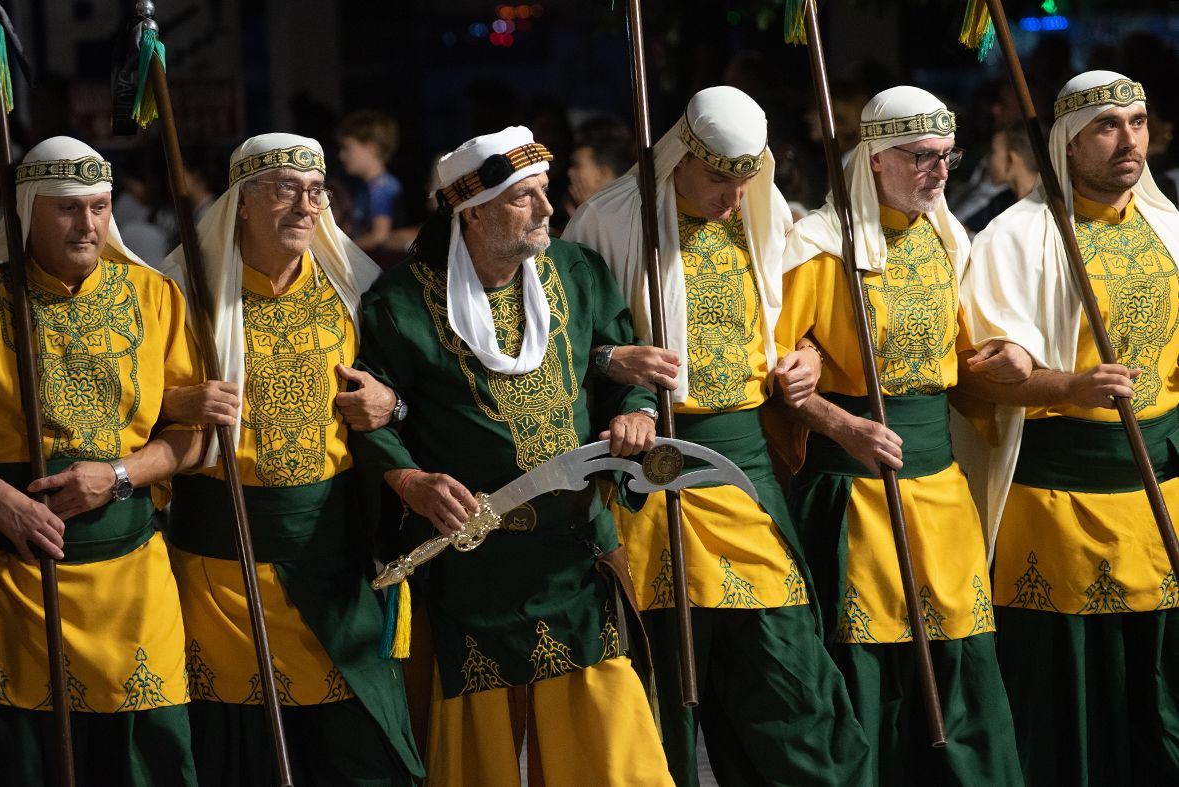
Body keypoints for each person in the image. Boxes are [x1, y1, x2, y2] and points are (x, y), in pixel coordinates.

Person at [564, 85, 871, 787]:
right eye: (718, 181)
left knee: (791, 670)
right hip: (647, 470)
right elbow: (564, 344)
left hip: (743, 468)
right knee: (658, 686)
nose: (734, 198)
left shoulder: (764, 214)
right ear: (680, 156)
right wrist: (613, 365)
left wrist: (807, 356)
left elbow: (795, 323)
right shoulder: (609, 220)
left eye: (745, 180)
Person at [351, 126, 674, 786]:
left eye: (545, 193)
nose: (548, 209)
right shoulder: (401, 304)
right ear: (472, 213)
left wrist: (637, 410)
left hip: (575, 555)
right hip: (474, 570)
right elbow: (368, 419)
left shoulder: (575, 272)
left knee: (616, 760)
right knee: (479, 762)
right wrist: (408, 480)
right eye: (524, 198)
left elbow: (621, 359)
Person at [773, 86, 1022, 784]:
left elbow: (963, 355)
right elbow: (778, 377)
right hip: (856, 493)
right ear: (874, 161)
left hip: (938, 490)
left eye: (947, 157)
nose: (938, 172)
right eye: (920, 157)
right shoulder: (819, 247)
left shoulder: (950, 236)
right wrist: (838, 421)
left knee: (962, 665)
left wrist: (1002, 358)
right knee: (868, 671)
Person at [158, 133, 422, 785]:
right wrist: (175, 400)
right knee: (246, 758)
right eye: (284, 188)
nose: (304, 206)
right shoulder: (178, 295)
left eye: (315, 191)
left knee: (363, 756)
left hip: (333, 565)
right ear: (241, 203)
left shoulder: (357, 292)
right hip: (222, 572)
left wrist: (393, 403)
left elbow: (419, 387)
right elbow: (126, 409)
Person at [960, 70, 1179, 785]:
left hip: (1163, 498)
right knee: (1070, 710)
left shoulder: (1170, 227)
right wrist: (1068, 384)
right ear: (1066, 142)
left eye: (1138, 122)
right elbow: (978, 372)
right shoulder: (1011, 240)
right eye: (1107, 126)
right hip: (1057, 509)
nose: (1128, 140)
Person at [0, 136, 205, 785]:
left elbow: (192, 437)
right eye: (65, 208)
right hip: (15, 583)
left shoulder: (154, 295)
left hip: (135, 578)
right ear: (28, 209)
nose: (86, 223)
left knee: (147, 758)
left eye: (97, 206)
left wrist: (117, 475)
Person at [337, 110, 404, 253]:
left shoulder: (381, 188)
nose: (341, 155)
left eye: (347, 148)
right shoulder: (366, 187)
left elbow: (379, 235)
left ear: (371, 148)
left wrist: (340, 252)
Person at [964, 121, 1041, 234]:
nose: (987, 160)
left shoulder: (1045, 204)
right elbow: (963, 231)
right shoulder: (1002, 201)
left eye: (993, 152)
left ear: (1011, 160)